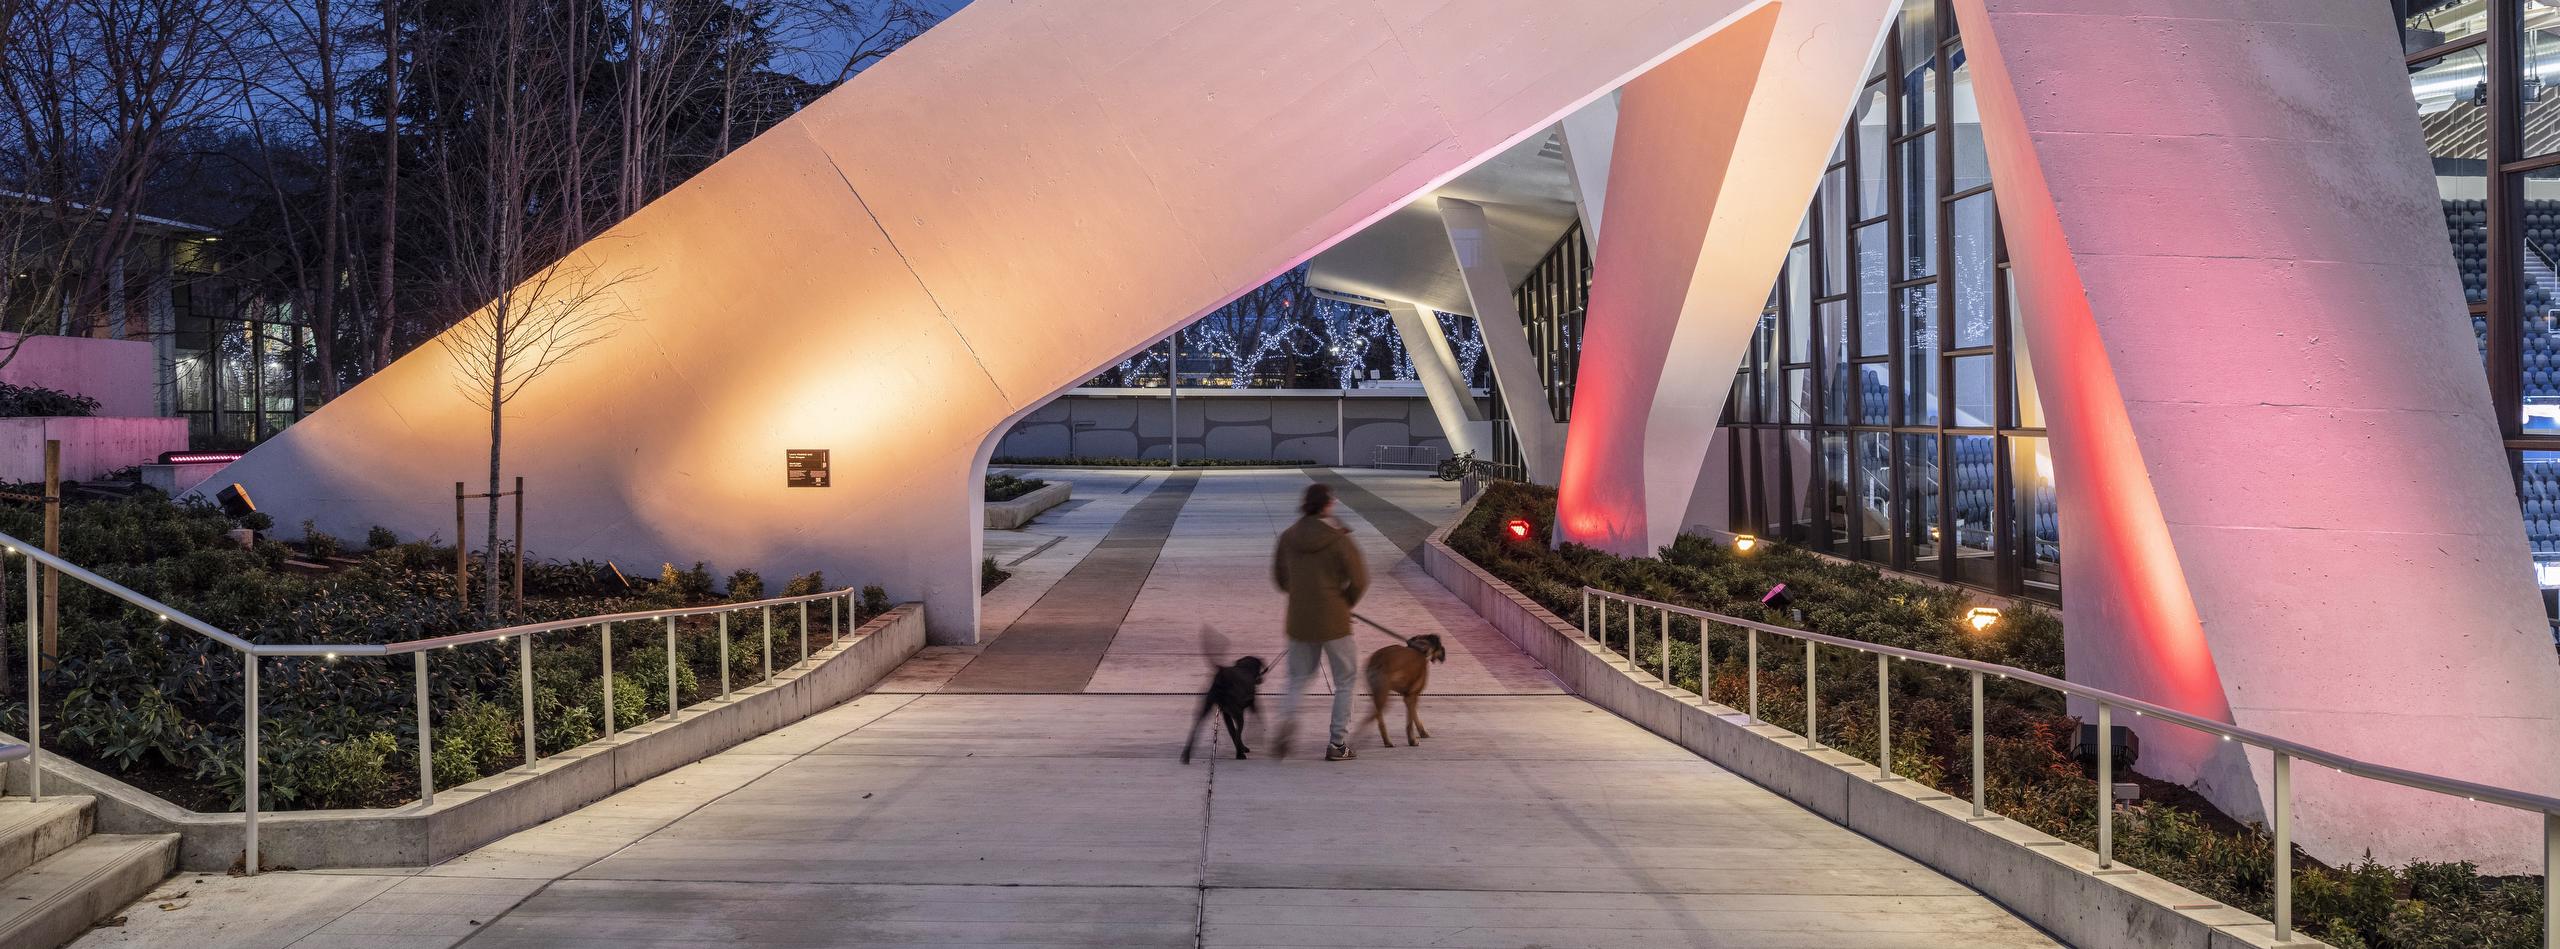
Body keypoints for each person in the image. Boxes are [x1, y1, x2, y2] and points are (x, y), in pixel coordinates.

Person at [1271, 481, 1369, 761]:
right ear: (1327, 505)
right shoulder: (1339, 538)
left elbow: (1280, 578)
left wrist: (1302, 595)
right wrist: (1344, 602)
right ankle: (1337, 743)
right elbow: (1360, 579)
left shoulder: (1289, 536)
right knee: (1346, 679)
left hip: (1300, 619)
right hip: (1335, 620)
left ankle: (1287, 722)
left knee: (1298, 678)